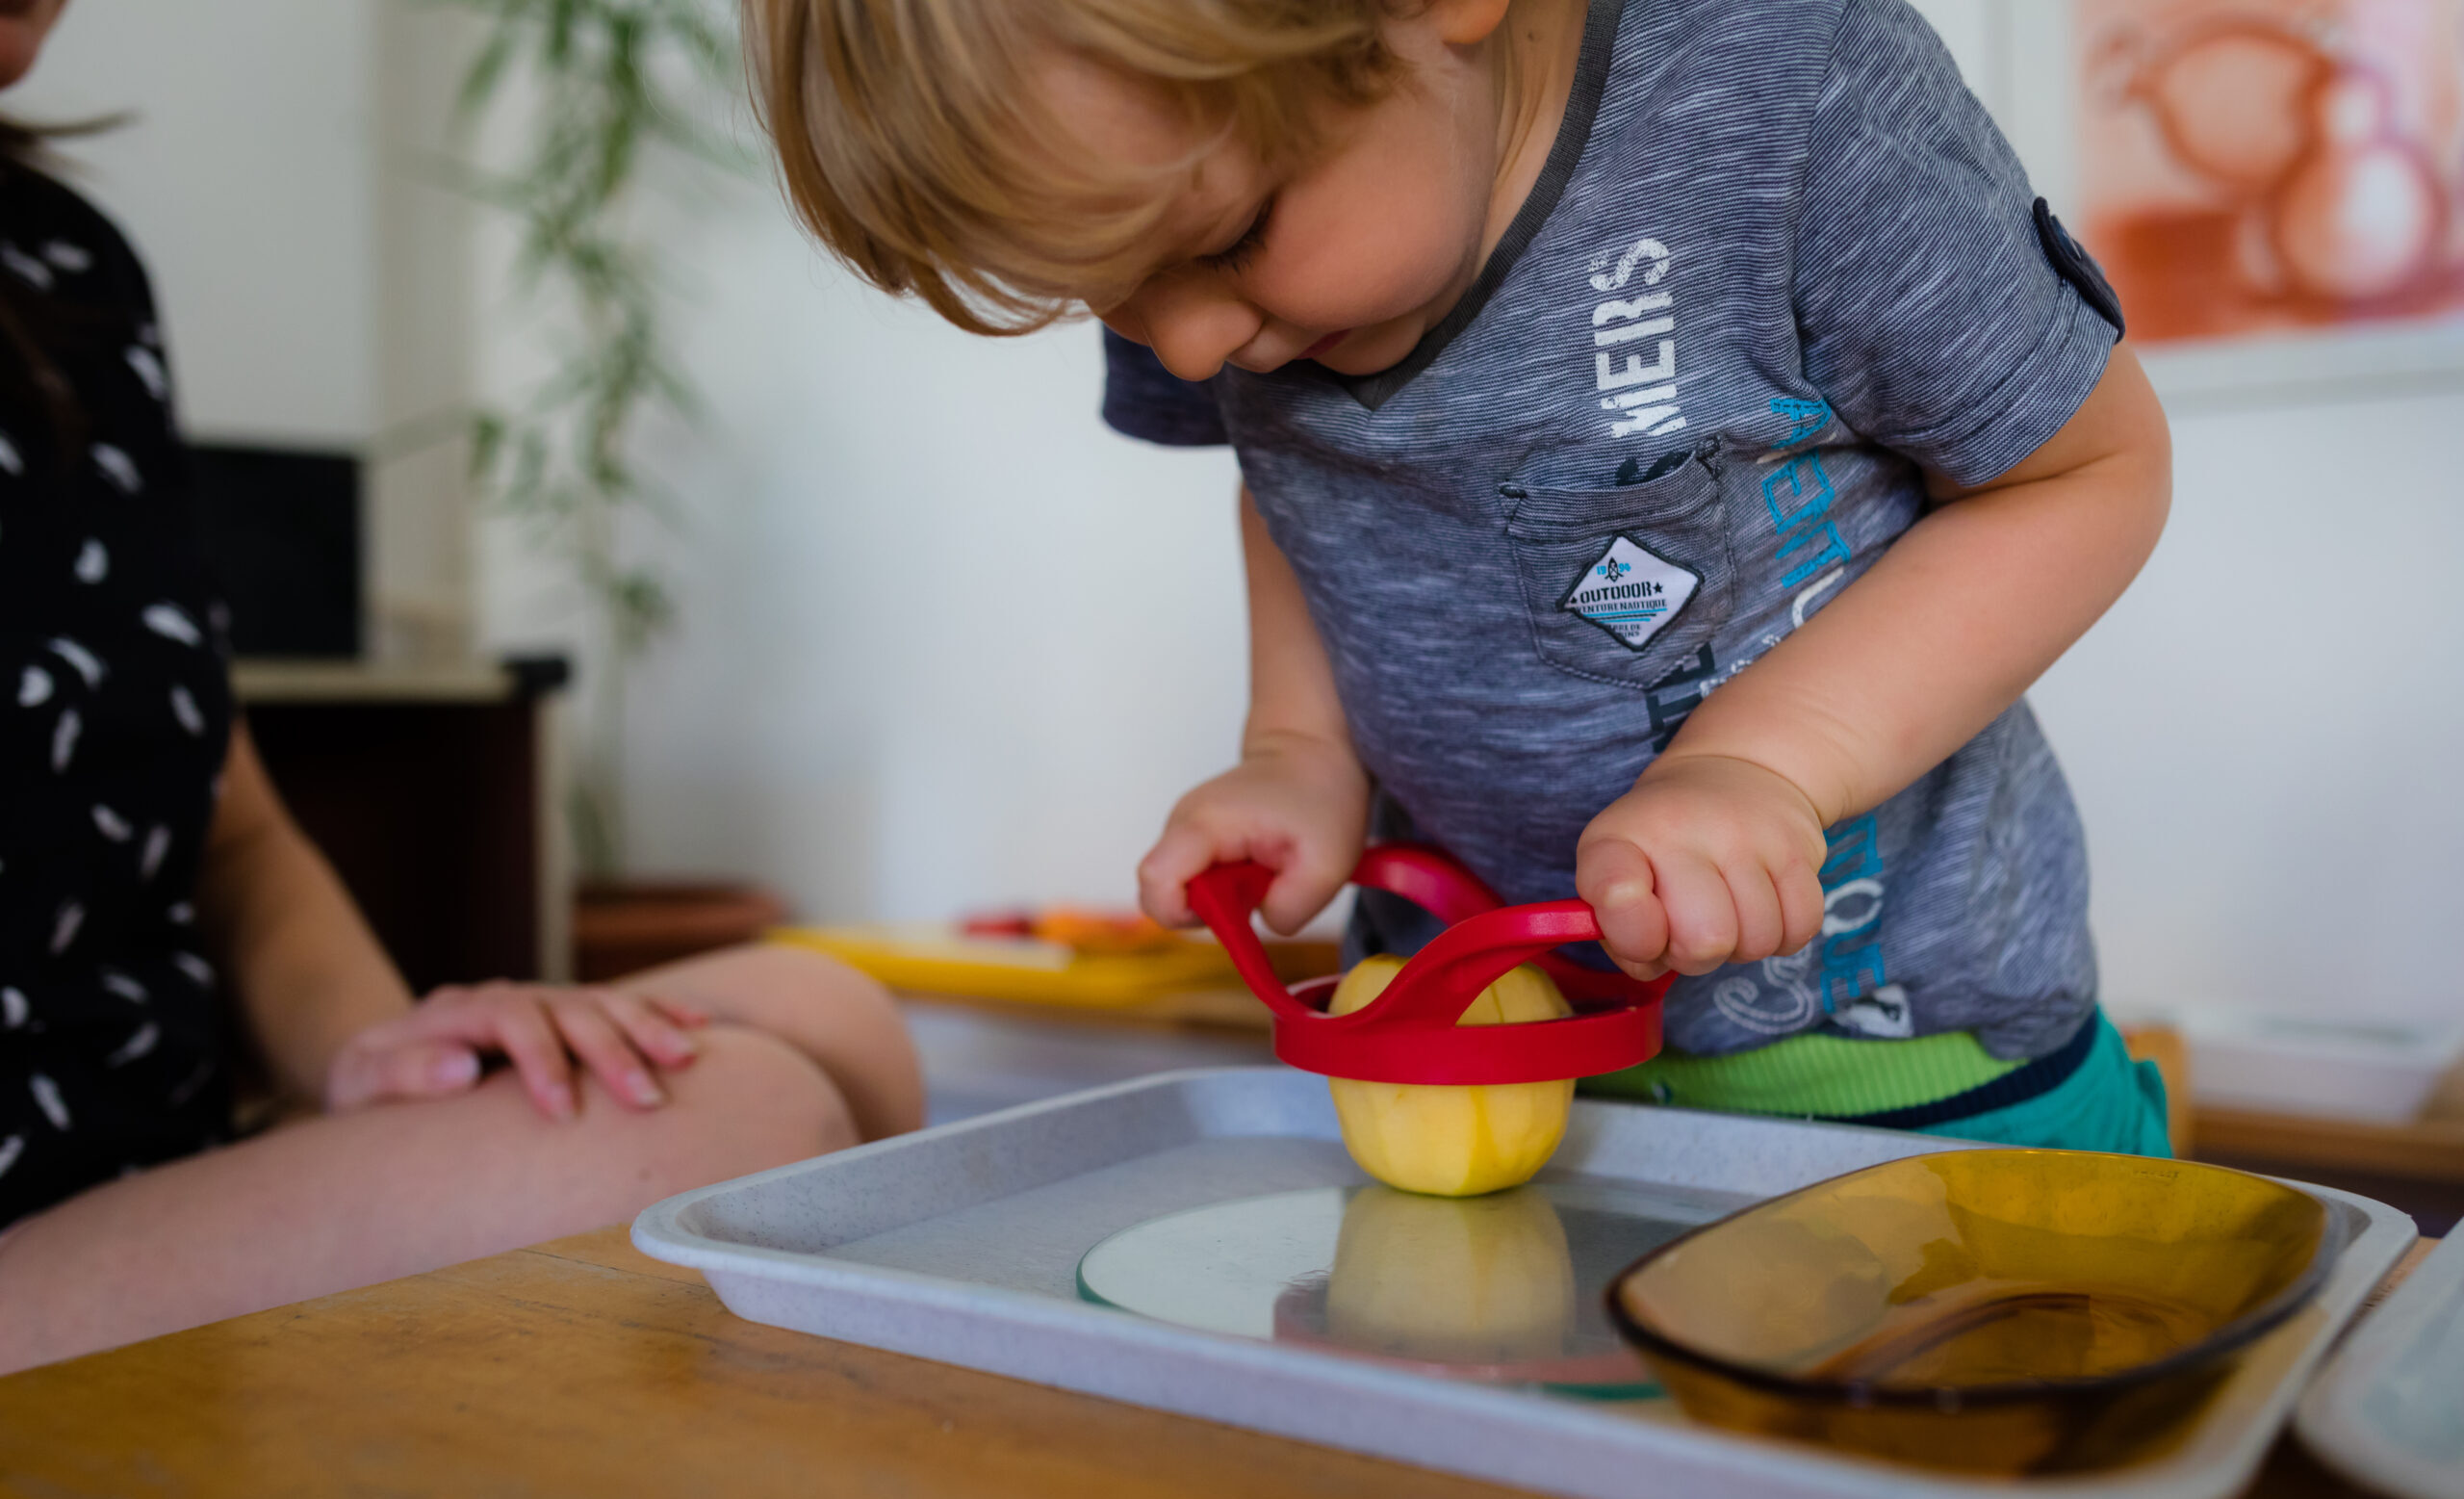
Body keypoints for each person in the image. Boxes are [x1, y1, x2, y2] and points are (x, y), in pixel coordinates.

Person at [745, 0, 2174, 1152]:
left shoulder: (1792, 90)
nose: (1182, 347)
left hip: (1905, 1072)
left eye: (1229, 242)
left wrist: (1765, 764)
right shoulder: (1215, 267)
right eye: (1108, 296)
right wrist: (1297, 750)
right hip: (1475, 1064)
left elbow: (2084, 477)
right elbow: (1293, 479)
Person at [0, 0, 920, 1373]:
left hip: (141, 1151)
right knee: (740, 1123)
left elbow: (235, 842)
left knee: (828, 1015)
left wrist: (380, 1050)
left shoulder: (68, 272)